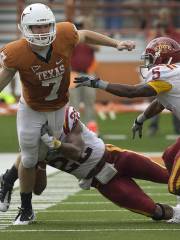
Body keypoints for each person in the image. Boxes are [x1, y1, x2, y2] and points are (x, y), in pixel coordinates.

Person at [0, 3, 135, 224]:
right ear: (25, 28)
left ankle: (7, 178)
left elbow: (85, 34)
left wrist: (116, 43)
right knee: (29, 156)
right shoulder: (16, 52)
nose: (43, 32)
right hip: (32, 108)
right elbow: (3, 79)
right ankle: (25, 208)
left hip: (59, 106)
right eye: (36, 27)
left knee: (41, 153)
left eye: (46, 26)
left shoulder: (64, 34)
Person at [1, 105, 180, 225]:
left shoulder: (64, 116)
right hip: (102, 181)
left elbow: (77, 152)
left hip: (116, 159)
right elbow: (39, 189)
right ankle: (177, 214)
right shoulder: (32, 144)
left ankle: (6, 181)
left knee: (170, 176)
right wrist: (39, 164)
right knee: (155, 212)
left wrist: (55, 144)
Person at [73, 36, 180, 201]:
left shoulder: (167, 73)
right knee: (169, 157)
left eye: (151, 58)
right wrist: (141, 119)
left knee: (176, 185)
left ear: (165, 57)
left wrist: (99, 84)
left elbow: (133, 92)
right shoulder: (173, 75)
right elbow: (161, 102)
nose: (149, 63)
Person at [70, 15, 99, 133]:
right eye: (78, 26)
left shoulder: (90, 37)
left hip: (88, 73)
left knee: (90, 102)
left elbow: (97, 48)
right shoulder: (71, 38)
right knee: (74, 103)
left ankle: (91, 129)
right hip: (73, 73)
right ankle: (74, 129)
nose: (79, 28)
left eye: (81, 26)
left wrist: (86, 37)